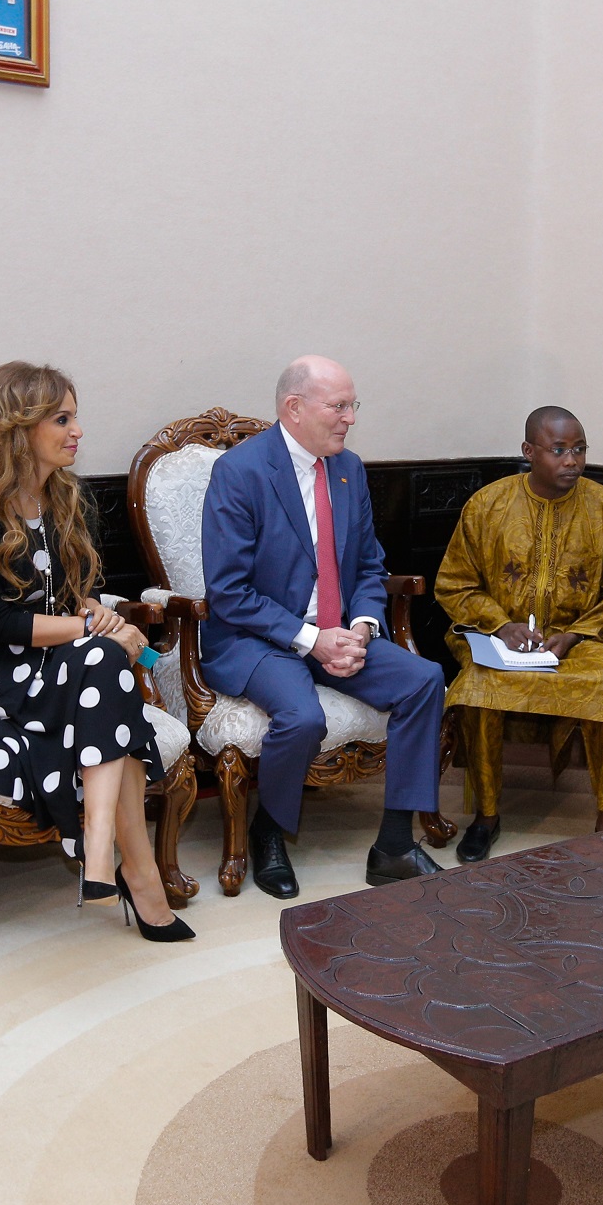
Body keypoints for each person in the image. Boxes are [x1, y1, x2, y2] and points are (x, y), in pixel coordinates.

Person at [0, 361, 192, 943]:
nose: (77, 431)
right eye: (62, 419)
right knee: (109, 671)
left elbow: (60, 595)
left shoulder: (64, 497)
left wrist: (96, 614)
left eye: (73, 417)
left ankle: (105, 854)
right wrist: (90, 629)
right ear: (19, 427)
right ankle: (133, 870)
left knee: (106, 665)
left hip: (50, 658)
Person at [200, 355, 447, 897]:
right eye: (338, 406)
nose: (350, 418)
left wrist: (363, 627)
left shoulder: (347, 468)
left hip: (337, 629)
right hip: (257, 638)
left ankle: (393, 846)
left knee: (424, 679)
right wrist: (313, 639)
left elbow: (368, 565)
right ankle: (268, 832)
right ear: (294, 408)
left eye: (352, 405)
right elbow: (228, 592)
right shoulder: (240, 472)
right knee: (302, 716)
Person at [434, 406, 603, 861]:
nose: (572, 460)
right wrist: (501, 624)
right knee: (478, 688)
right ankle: (486, 815)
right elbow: (454, 584)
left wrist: (575, 635)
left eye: (579, 449)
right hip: (499, 639)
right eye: (559, 450)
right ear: (529, 451)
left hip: (581, 642)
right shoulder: (488, 505)